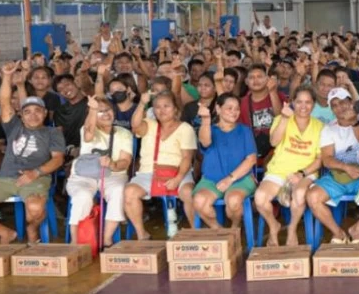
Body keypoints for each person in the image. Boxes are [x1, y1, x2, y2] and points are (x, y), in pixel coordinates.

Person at [0, 63, 65, 243]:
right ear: (21, 115)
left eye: (37, 111)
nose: (32, 115)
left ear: (45, 113)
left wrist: (36, 172)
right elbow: (4, 101)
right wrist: (7, 76)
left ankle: (32, 229)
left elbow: (57, 160)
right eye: (27, 112)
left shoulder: (53, 133)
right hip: (5, 179)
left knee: (35, 208)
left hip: (37, 179)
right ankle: (5, 233)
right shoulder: (13, 127)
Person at [306, 88, 359, 244]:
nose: (340, 107)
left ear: (351, 102)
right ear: (331, 109)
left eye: (343, 102)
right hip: (337, 177)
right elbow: (327, 159)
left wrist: (354, 123)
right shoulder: (328, 128)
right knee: (312, 197)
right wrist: (346, 168)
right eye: (335, 105)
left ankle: (356, 229)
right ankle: (338, 233)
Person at [253, 86, 323, 247]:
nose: (303, 106)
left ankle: (292, 229)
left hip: (305, 173)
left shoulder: (319, 126)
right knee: (260, 198)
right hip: (278, 171)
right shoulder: (280, 119)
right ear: (292, 103)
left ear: (314, 104)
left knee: (299, 193)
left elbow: (320, 160)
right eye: (299, 102)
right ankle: (273, 226)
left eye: (308, 102)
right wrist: (284, 119)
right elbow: (273, 142)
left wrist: (301, 173)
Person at [122, 90, 197, 240]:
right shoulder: (149, 124)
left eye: (166, 106)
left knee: (188, 193)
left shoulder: (185, 128)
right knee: (129, 192)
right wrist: (142, 103)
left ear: (175, 108)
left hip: (177, 172)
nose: (161, 110)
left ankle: (196, 232)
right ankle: (142, 234)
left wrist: (178, 179)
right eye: (157, 107)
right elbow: (135, 125)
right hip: (148, 173)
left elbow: (187, 158)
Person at [66, 96, 132, 246]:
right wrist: (93, 109)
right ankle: (75, 242)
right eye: (99, 112)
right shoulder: (88, 128)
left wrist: (112, 164)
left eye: (107, 110)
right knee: (82, 196)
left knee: (119, 191)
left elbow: (125, 162)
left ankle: (106, 239)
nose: (106, 114)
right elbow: (88, 135)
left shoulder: (124, 133)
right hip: (84, 176)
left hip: (113, 175)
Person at [193, 93, 258, 230]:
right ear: (218, 108)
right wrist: (205, 120)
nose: (234, 112)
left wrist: (230, 179)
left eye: (237, 109)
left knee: (234, 201)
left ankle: (235, 228)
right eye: (229, 108)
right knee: (199, 201)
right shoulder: (209, 129)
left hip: (241, 179)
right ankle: (219, 231)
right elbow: (205, 142)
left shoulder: (244, 130)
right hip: (211, 180)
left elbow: (251, 159)